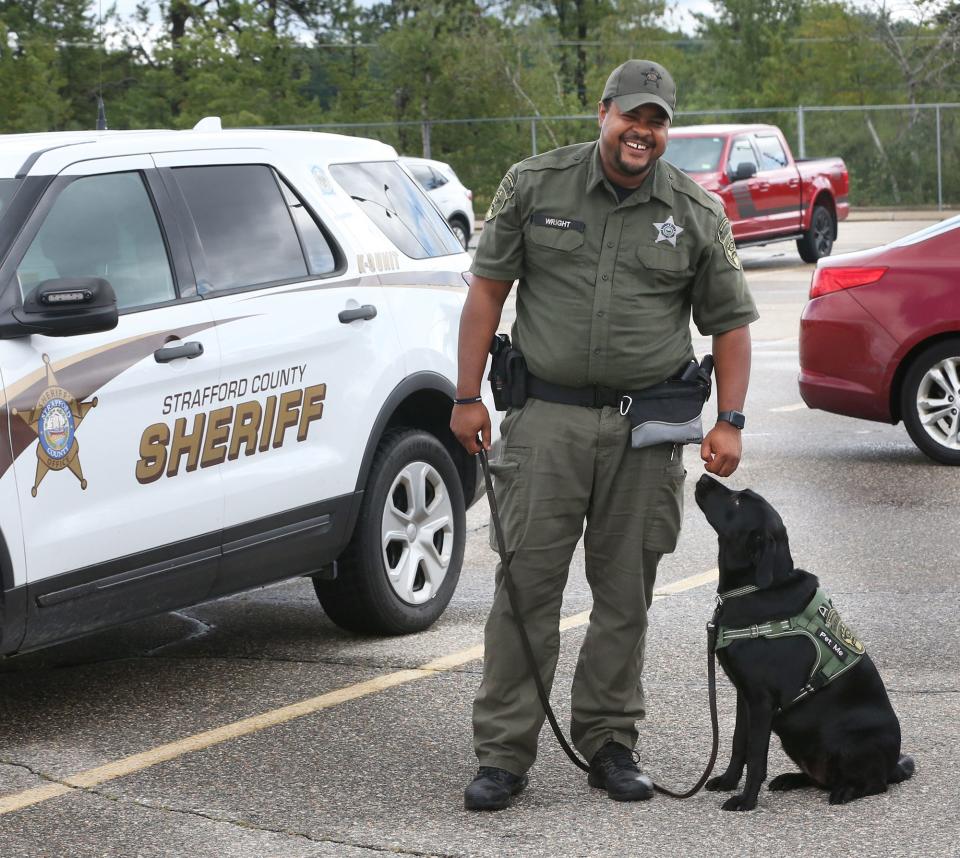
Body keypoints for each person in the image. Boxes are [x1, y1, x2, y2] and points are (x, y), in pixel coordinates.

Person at [450, 59, 758, 811]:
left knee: (626, 596)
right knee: (526, 592)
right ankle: (504, 756)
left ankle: (611, 743)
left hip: (645, 431)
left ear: (666, 130)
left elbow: (731, 325)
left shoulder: (693, 211)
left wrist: (731, 418)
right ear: (604, 112)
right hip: (544, 421)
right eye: (632, 117)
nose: (642, 133)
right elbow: (487, 295)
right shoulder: (534, 185)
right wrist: (465, 397)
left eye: (657, 122)